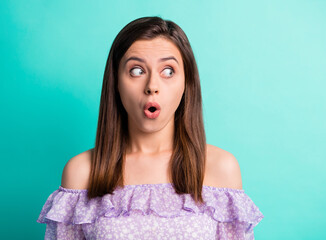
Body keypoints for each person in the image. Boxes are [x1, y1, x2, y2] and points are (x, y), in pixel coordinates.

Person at [37, 16, 264, 239]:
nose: (152, 86)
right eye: (137, 70)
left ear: (187, 83)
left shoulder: (221, 169)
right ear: (116, 82)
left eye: (168, 71)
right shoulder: (81, 172)